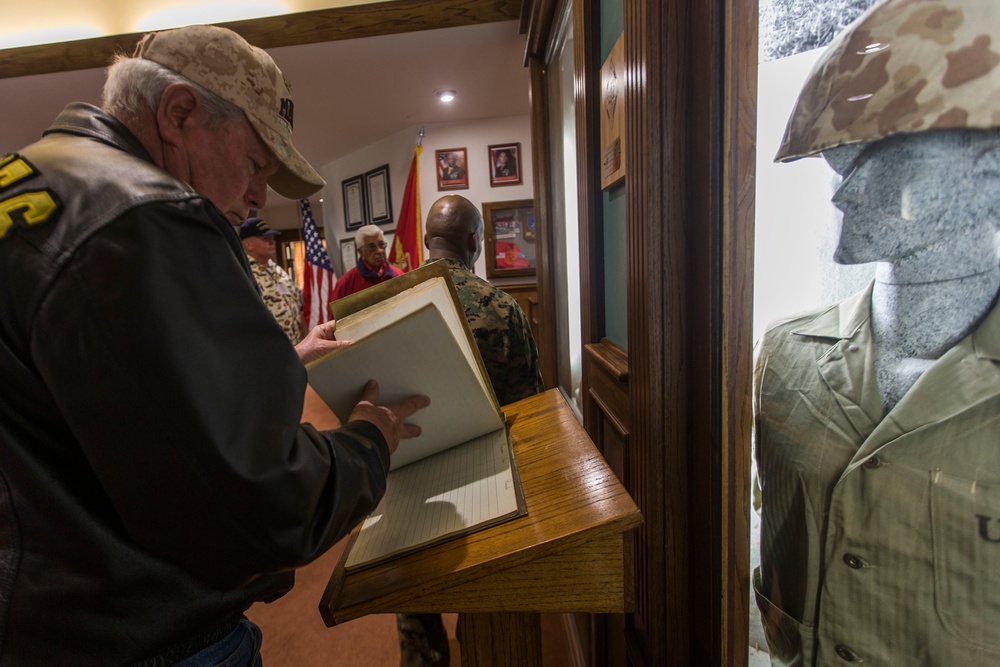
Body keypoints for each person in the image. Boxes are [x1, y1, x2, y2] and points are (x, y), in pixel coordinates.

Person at [0, 24, 429, 665]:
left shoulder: (30, 181)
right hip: (146, 638)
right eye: (255, 163)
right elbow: (263, 506)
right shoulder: (151, 213)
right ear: (178, 113)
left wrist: (277, 363)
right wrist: (368, 444)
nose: (257, 196)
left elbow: (100, 405)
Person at [753, 1, 1000, 664]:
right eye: (843, 164)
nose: (843, 195)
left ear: (988, 169)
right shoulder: (787, 356)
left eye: (885, 158)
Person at [396, 194, 545, 667]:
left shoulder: (389, 308)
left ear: (425, 240)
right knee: (492, 624)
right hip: (489, 491)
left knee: (417, 619)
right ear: (475, 242)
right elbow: (531, 410)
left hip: (410, 495)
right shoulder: (503, 309)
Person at [240, 217, 306, 344]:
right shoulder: (244, 274)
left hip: (296, 347)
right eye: (265, 239)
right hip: (271, 351)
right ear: (248, 245)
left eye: (272, 238)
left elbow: (297, 307)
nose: (272, 242)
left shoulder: (278, 269)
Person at [331, 224, 401, 300]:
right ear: (361, 252)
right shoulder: (345, 284)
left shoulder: (398, 274)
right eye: (372, 247)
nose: (379, 250)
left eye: (381, 244)